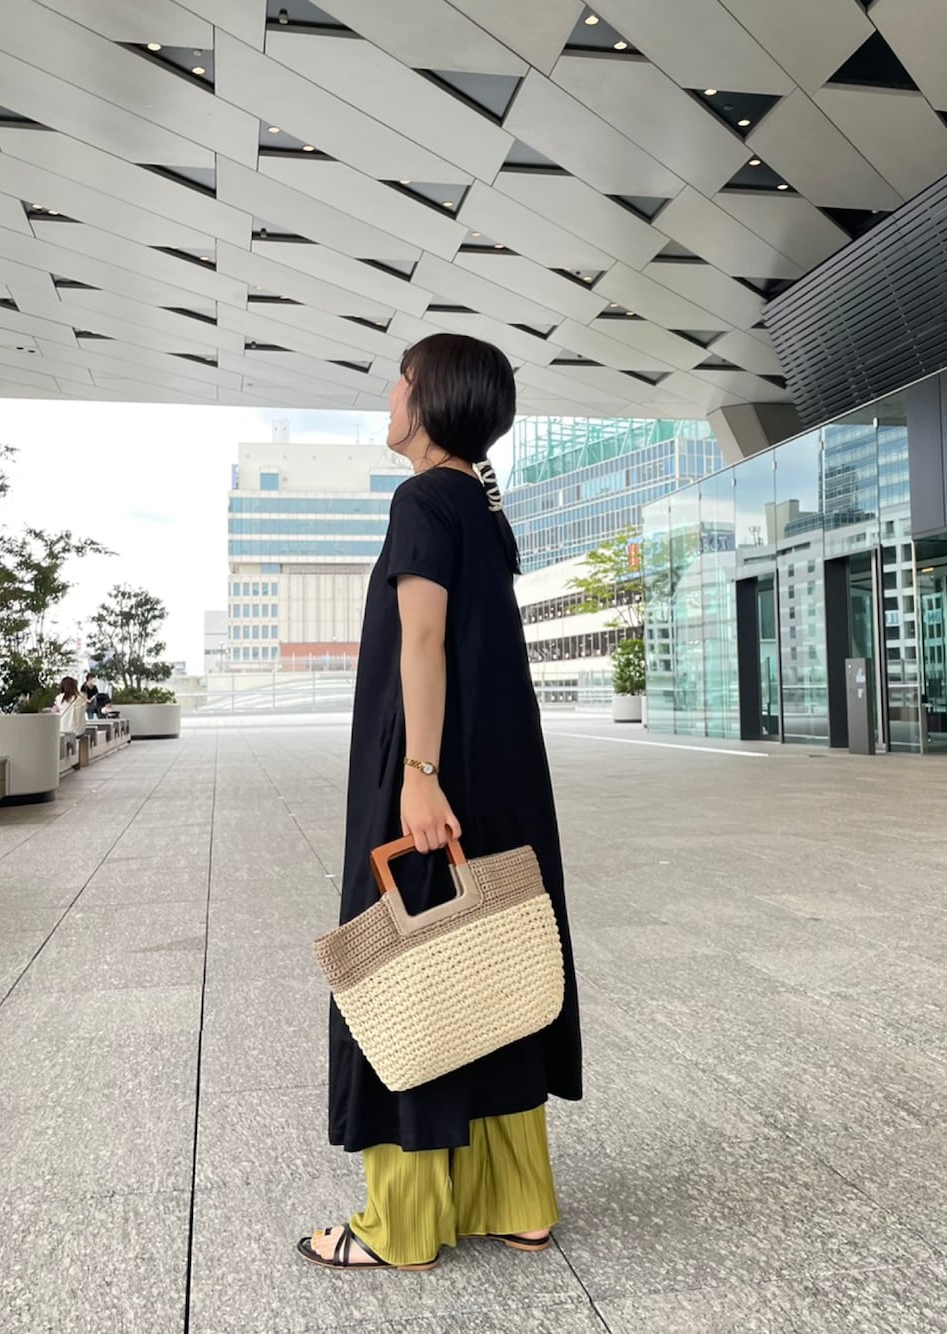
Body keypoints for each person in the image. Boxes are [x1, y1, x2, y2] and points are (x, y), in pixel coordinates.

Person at [299, 333, 582, 1273]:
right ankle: (517, 1199)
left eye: (401, 381)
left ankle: (405, 1222)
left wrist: (417, 774)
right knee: (488, 969)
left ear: (432, 401)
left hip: (435, 775)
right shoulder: (481, 510)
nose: (390, 396)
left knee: (411, 975)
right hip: (498, 777)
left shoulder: (422, 500)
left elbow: (424, 643)